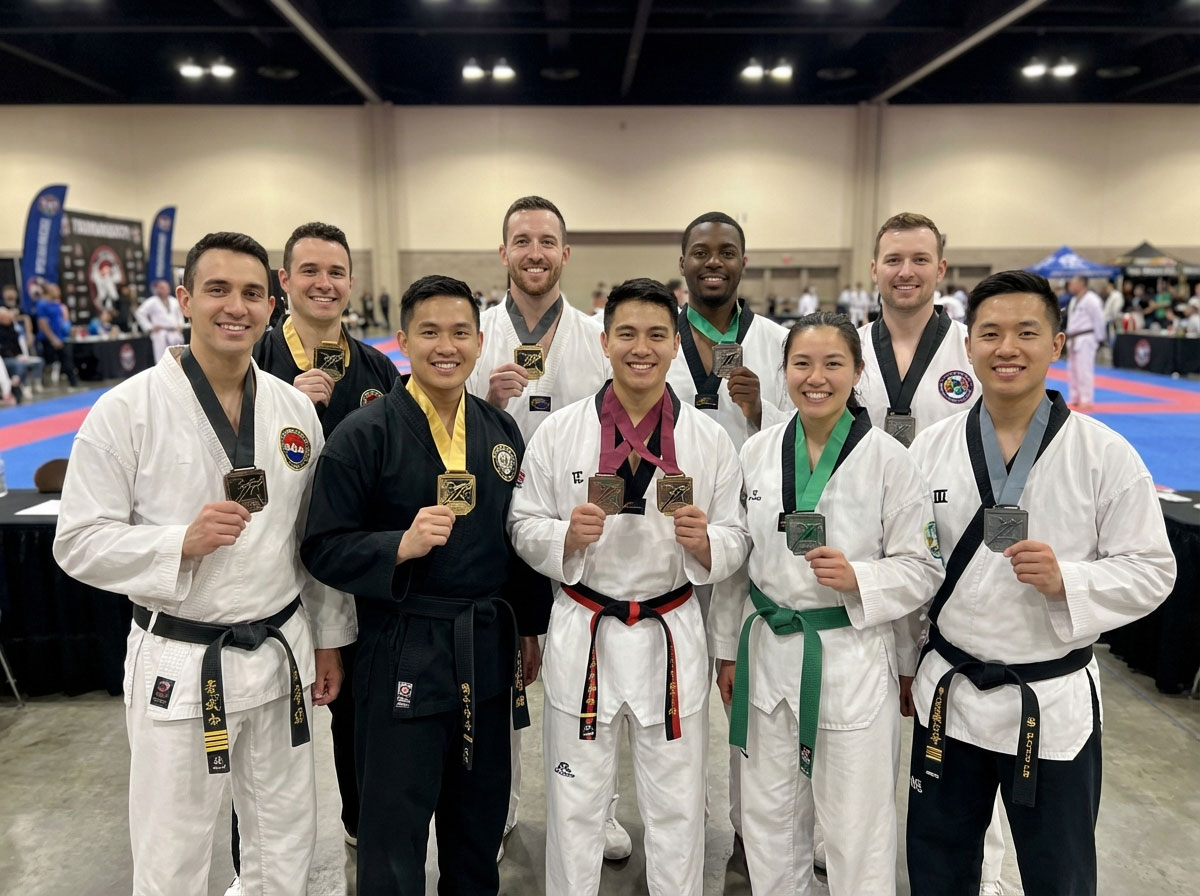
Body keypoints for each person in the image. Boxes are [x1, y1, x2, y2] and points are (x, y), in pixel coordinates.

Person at [52, 231, 353, 894]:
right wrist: (175, 543)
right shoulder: (124, 410)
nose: (235, 307)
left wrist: (330, 637)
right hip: (182, 661)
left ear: (271, 306)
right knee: (175, 851)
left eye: (251, 293)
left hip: (282, 650)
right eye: (216, 289)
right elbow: (76, 540)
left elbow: (319, 536)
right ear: (185, 299)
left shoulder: (294, 407)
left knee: (288, 837)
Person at [905, 270, 1177, 896]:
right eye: (991, 333)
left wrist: (1069, 582)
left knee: (1060, 873)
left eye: (1027, 332)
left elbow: (1154, 570)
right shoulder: (929, 450)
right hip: (950, 692)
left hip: (1048, 704)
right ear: (968, 346)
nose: (1008, 348)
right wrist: (901, 664)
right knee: (937, 865)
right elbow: (910, 566)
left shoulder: (1105, 454)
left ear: (1057, 345)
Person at [301, 274, 547, 895]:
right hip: (400, 645)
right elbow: (322, 545)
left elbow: (514, 536)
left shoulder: (499, 430)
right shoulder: (364, 435)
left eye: (460, 332)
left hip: (486, 644)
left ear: (479, 340)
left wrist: (528, 627)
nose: (447, 346)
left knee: (479, 817)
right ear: (404, 341)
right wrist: (397, 546)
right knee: (393, 826)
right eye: (430, 332)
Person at [508, 278, 750, 896]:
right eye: (626, 334)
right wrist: (565, 536)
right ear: (605, 342)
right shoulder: (559, 432)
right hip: (585, 626)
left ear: (674, 345)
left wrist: (707, 544)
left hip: (670, 630)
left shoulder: (709, 437)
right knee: (575, 799)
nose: (640, 348)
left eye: (656, 335)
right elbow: (521, 523)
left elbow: (738, 536)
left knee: (677, 800)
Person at [712, 312, 944, 896]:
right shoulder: (760, 451)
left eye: (833, 364)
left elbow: (923, 567)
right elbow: (740, 561)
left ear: (858, 371)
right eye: (802, 364)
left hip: (848, 654)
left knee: (855, 826)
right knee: (767, 817)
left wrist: (860, 577)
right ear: (784, 370)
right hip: (765, 649)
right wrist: (724, 650)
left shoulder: (893, 460)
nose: (816, 378)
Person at [464, 195, 622, 860]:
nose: (534, 252)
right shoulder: (472, 335)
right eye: (521, 240)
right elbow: (443, 427)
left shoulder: (595, 335)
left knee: (599, 676)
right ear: (503, 253)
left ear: (565, 252)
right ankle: (500, 810)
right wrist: (488, 403)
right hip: (495, 531)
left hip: (576, 526)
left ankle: (600, 810)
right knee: (503, 676)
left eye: (546, 241)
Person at [248, 222, 399, 858]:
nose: (324, 283)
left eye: (336, 272)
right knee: (264, 718)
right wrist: (284, 406)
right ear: (284, 282)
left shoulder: (375, 368)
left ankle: (359, 823)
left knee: (358, 712)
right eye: (309, 271)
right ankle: (258, 851)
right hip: (269, 569)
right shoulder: (252, 360)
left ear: (351, 283)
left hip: (349, 569)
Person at [668, 210, 792, 862]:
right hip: (677, 538)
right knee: (679, 697)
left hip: (753, 541)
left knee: (751, 698)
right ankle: (682, 825)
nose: (713, 262)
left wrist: (760, 411)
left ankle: (752, 829)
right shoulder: (659, 337)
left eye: (726, 252)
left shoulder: (775, 340)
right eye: (700, 252)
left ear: (745, 261)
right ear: (682, 261)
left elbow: (809, 431)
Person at [1064, 276, 1106, 411]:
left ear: (1081, 284)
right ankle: (1075, 397)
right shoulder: (1074, 300)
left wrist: (1100, 339)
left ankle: (1086, 400)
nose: (1069, 286)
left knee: (1084, 369)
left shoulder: (1092, 299)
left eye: (1072, 283)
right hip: (1073, 338)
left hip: (1087, 337)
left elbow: (1099, 319)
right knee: (1073, 369)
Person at [34, 283, 79, 388]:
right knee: (48, 362)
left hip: (61, 337)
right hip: (48, 339)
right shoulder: (42, 304)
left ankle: (73, 384)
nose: (58, 292)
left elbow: (62, 321)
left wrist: (69, 330)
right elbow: (43, 324)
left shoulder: (57, 303)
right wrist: (53, 339)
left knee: (67, 360)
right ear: (49, 291)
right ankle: (44, 384)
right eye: (56, 290)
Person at [136, 279, 186, 362]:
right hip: (160, 333)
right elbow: (139, 313)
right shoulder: (152, 301)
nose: (166, 290)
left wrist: (181, 325)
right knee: (161, 359)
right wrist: (149, 327)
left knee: (178, 358)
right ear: (157, 289)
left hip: (174, 332)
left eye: (167, 287)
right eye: (163, 288)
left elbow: (180, 314)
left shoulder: (173, 301)